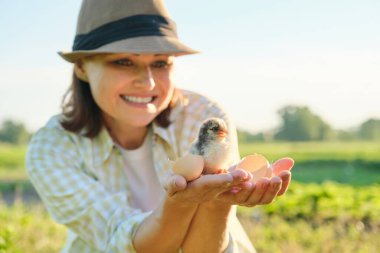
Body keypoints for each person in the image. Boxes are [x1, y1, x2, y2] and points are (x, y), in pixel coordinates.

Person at [26, 0, 292, 252]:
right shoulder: (53, 147)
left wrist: (215, 203)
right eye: (124, 62)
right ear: (82, 67)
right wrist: (182, 203)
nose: (149, 83)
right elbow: (123, 238)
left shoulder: (204, 118)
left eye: (160, 63)